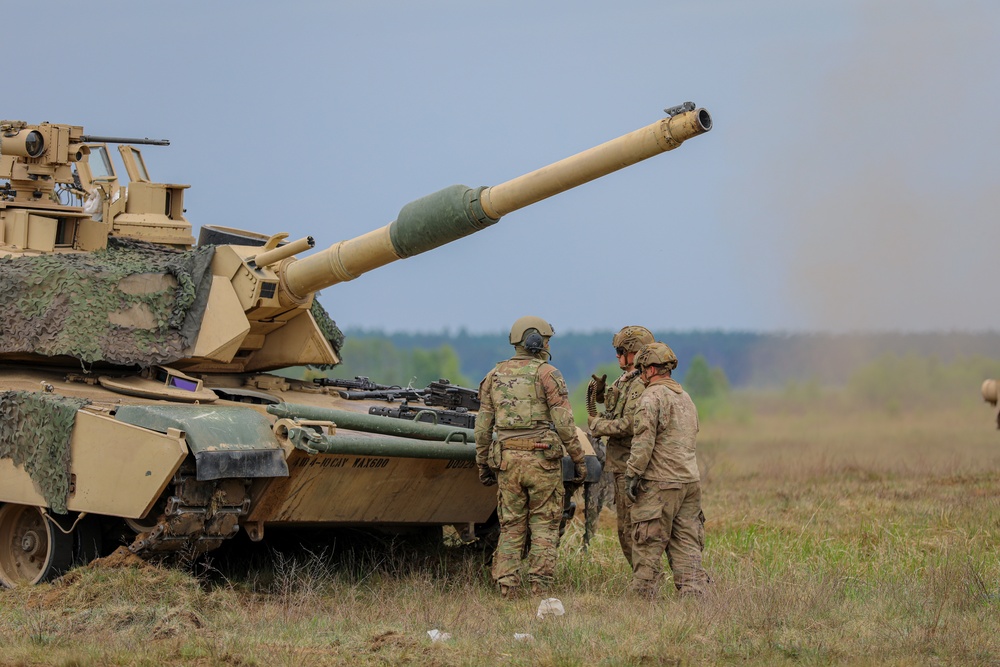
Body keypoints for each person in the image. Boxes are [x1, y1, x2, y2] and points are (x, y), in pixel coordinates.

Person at [475, 315, 587, 599]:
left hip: (507, 462)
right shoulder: (548, 374)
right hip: (542, 462)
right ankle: (540, 588)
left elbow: (483, 427)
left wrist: (483, 463)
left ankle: (507, 587)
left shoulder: (493, 376)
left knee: (511, 525)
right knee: (544, 524)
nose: (548, 344)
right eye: (546, 339)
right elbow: (564, 423)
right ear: (535, 340)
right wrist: (578, 458)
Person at [624, 341, 709, 598]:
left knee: (648, 544)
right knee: (687, 544)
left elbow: (643, 441)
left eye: (642, 370)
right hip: (689, 482)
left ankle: (643, 600)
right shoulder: (685, 397)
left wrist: (632, 473)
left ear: (650, 369)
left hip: (660, 484)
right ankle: (694, 598)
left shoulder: (652, 396)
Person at [586, 325, 655, 564]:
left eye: (621, 350)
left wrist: (598, 426)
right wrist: (601, 395)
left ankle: (645, 580)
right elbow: (618, 406)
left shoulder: (640, 384)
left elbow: (630, 424)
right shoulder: (626, 379)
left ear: (634, 353)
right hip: (620, 465)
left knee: (630, 530)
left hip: (630, 465)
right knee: (624, 530)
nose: (617, 356)